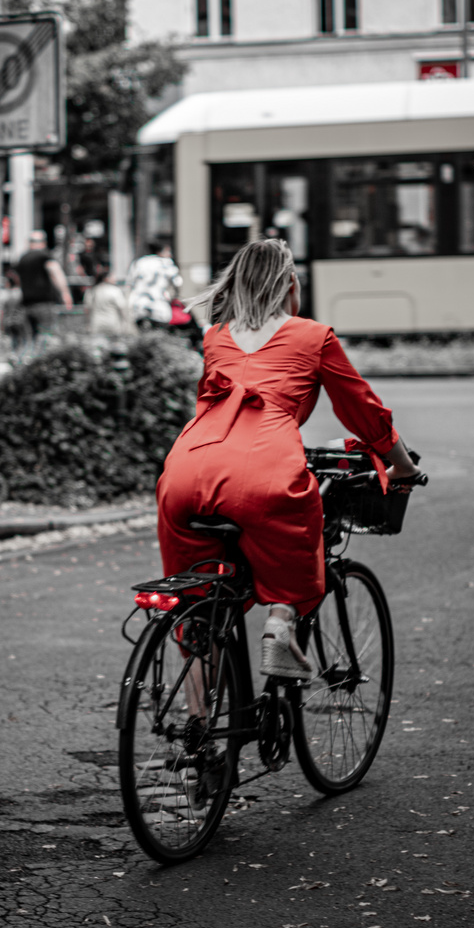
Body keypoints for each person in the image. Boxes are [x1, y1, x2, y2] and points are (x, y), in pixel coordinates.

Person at [156, 238, 421, 679]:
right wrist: (403, 466)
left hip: (185, 470)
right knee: (298, 546)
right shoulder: (313, 336)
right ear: (289, 283)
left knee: (198, 605)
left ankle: (197, 732)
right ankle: (280, 625)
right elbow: (364, 412)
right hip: (263, 469)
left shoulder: (215, 337)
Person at [16, 230, 73, 352]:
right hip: (44, 303)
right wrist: (65, 293)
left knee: (31, 338)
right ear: (43, 242)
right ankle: (42, 364)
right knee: (47, 336)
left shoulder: (23, 258)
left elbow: (17, 281)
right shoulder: (44, 256)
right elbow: (55, 272)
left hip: (27, 304)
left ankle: (29, 362)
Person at [126, 239, 182, 328]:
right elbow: (178, 283)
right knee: (161, 334)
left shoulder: (138, 262)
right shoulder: (166, 263)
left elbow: (130, 282)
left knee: (144, 336)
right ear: (161, 251)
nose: (170, 254)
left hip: (140, 305)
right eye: (168, 251)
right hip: (159, 305)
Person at [83, 263, 133, 341]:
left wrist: (88, 324)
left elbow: (87, 309)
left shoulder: (92, 291)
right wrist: (125, 324)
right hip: (113, 324)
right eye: (112, 276)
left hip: (96, 324)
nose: (115, 278)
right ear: (106, 278)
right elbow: (123, 308)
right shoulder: (115, 291)